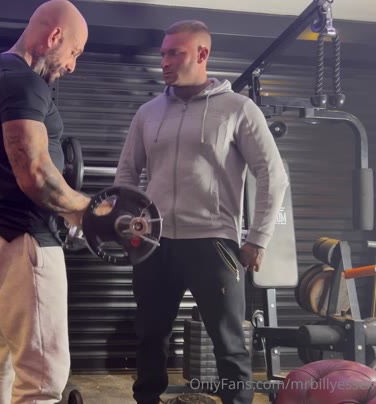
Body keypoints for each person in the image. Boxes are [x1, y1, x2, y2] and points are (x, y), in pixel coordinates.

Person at [114, 20, 289, 404]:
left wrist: (258, 238)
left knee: (229, 343)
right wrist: (129, 221)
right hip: (155, 243)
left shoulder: (238, 109)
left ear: (202, 54)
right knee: (149, 337)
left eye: (174, 53)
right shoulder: (148, 112)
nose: (164, 61)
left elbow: (272, 174)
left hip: (214, 245)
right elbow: (126, 173)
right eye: (162, 53)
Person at [0, 1, 90, 403]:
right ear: (54, 37)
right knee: (42, 378)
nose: (72, 66)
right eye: (74, 52)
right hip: (22, 239)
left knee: (5, 353)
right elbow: (34, 172)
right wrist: (87, 212)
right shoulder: (21, 80)